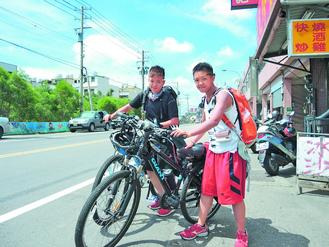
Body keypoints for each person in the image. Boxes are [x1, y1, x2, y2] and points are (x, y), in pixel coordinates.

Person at [171, 62, 248, 247]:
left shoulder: (223, 95)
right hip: (214, 152)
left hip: (231, 153)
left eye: (204, 78)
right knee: (206, 191)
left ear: (212, 77)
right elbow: (205, 124)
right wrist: (190, 142)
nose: (200, 83)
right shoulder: (206, 100)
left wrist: (187, 133)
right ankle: (200, 225)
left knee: (235, 196)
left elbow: (214, 121)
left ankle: (241, 233)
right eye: (196, 80)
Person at [104, 65, 179, 217]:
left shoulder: (168, 97)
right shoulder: (145, 95)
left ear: (163, 82)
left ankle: (171, 199)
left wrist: (158, 125)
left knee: (164, 170)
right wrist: (113, 115)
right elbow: (129, 107)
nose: (154, 84)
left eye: (158, 81)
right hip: (148, 136)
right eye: (152, 80)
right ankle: (161, 196)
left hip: (164, 137)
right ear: (148, 80)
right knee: (150, 170)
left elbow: (175, 120)